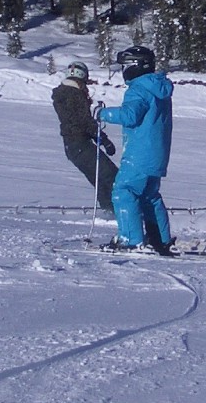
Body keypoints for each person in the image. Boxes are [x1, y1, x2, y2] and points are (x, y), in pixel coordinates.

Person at [96, 45, 175, 254]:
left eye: (125, 66)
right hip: (157, 153)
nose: (123, 71)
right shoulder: (158, 87)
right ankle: (160, 239)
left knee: (124, 191)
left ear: (135, 66)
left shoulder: (138, 89)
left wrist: (103, 114)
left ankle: (131, 239)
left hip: (139, 153)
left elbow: (130, 116)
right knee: (149, 195)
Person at [51, 61, 118, 211]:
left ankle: (109, 211)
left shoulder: (63, 93)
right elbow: (84, 121)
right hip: (81, 144)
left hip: (72, 146)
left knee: (99, 179)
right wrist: (103, 140)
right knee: (112, 176)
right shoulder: (75, 94)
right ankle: (119, 211)